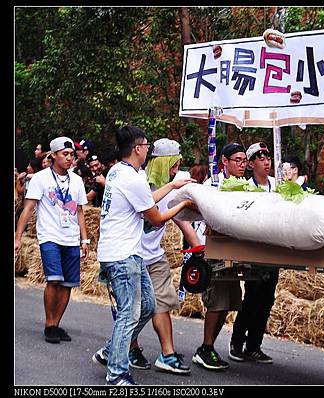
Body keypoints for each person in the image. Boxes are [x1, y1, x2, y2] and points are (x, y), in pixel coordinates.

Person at [91, 125, 195, 386]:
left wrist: (172, 185)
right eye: (146, 146)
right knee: (129, 313)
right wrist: (182, 205)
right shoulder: (133, 177)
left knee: (147, 306)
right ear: (137, 148)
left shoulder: (118, 171)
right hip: (123, 255)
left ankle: (110, 351)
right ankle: (116, 374)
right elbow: (156, 217)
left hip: (127, 253)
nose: (148, 150)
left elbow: (146, 199)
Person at [124, 138, 194, 375]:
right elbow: (156, 218)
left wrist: (198, 248)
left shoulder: (174, 186)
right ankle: (129, 347)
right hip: (131, 257)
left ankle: (168, 354)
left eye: (179, 165)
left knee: (162, 304)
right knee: (135, 308)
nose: (176, 169)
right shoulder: (138, 183)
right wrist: (182, 199)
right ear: (164, 163)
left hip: (155, 257)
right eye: (173, 164)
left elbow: (181, 218)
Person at [14, 136, 90, 344]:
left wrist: (85, 241)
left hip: (71, 238)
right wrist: (18, 237)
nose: (69, 158)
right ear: (53, 155)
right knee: (54, 280)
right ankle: (49, 324)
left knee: (67, 284)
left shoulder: (77, 181)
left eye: (72, 155)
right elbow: (28, 208)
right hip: (50, 236)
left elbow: (81, 211)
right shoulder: (40, 178)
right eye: (65, 154)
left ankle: (56, 323)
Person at [190, 142, 247, 371]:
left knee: (229, 301)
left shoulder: (245, 186)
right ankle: (205, 347)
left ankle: (209, 346)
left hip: (233, 250)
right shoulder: (213, 185)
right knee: (217, 300)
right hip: (213, 250)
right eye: (238, 161)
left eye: (244, 161)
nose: (242, 165)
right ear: (224, 162)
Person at [228, 142, 278, 364]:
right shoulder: (245, 187)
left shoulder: (277, 186)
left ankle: (254, 345)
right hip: (254, 251)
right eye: (261, 159)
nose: (266, 162)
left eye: (268, 158)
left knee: (267, 299)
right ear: (251, 163)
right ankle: (237, 343)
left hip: (274, 250)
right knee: (252, 297)